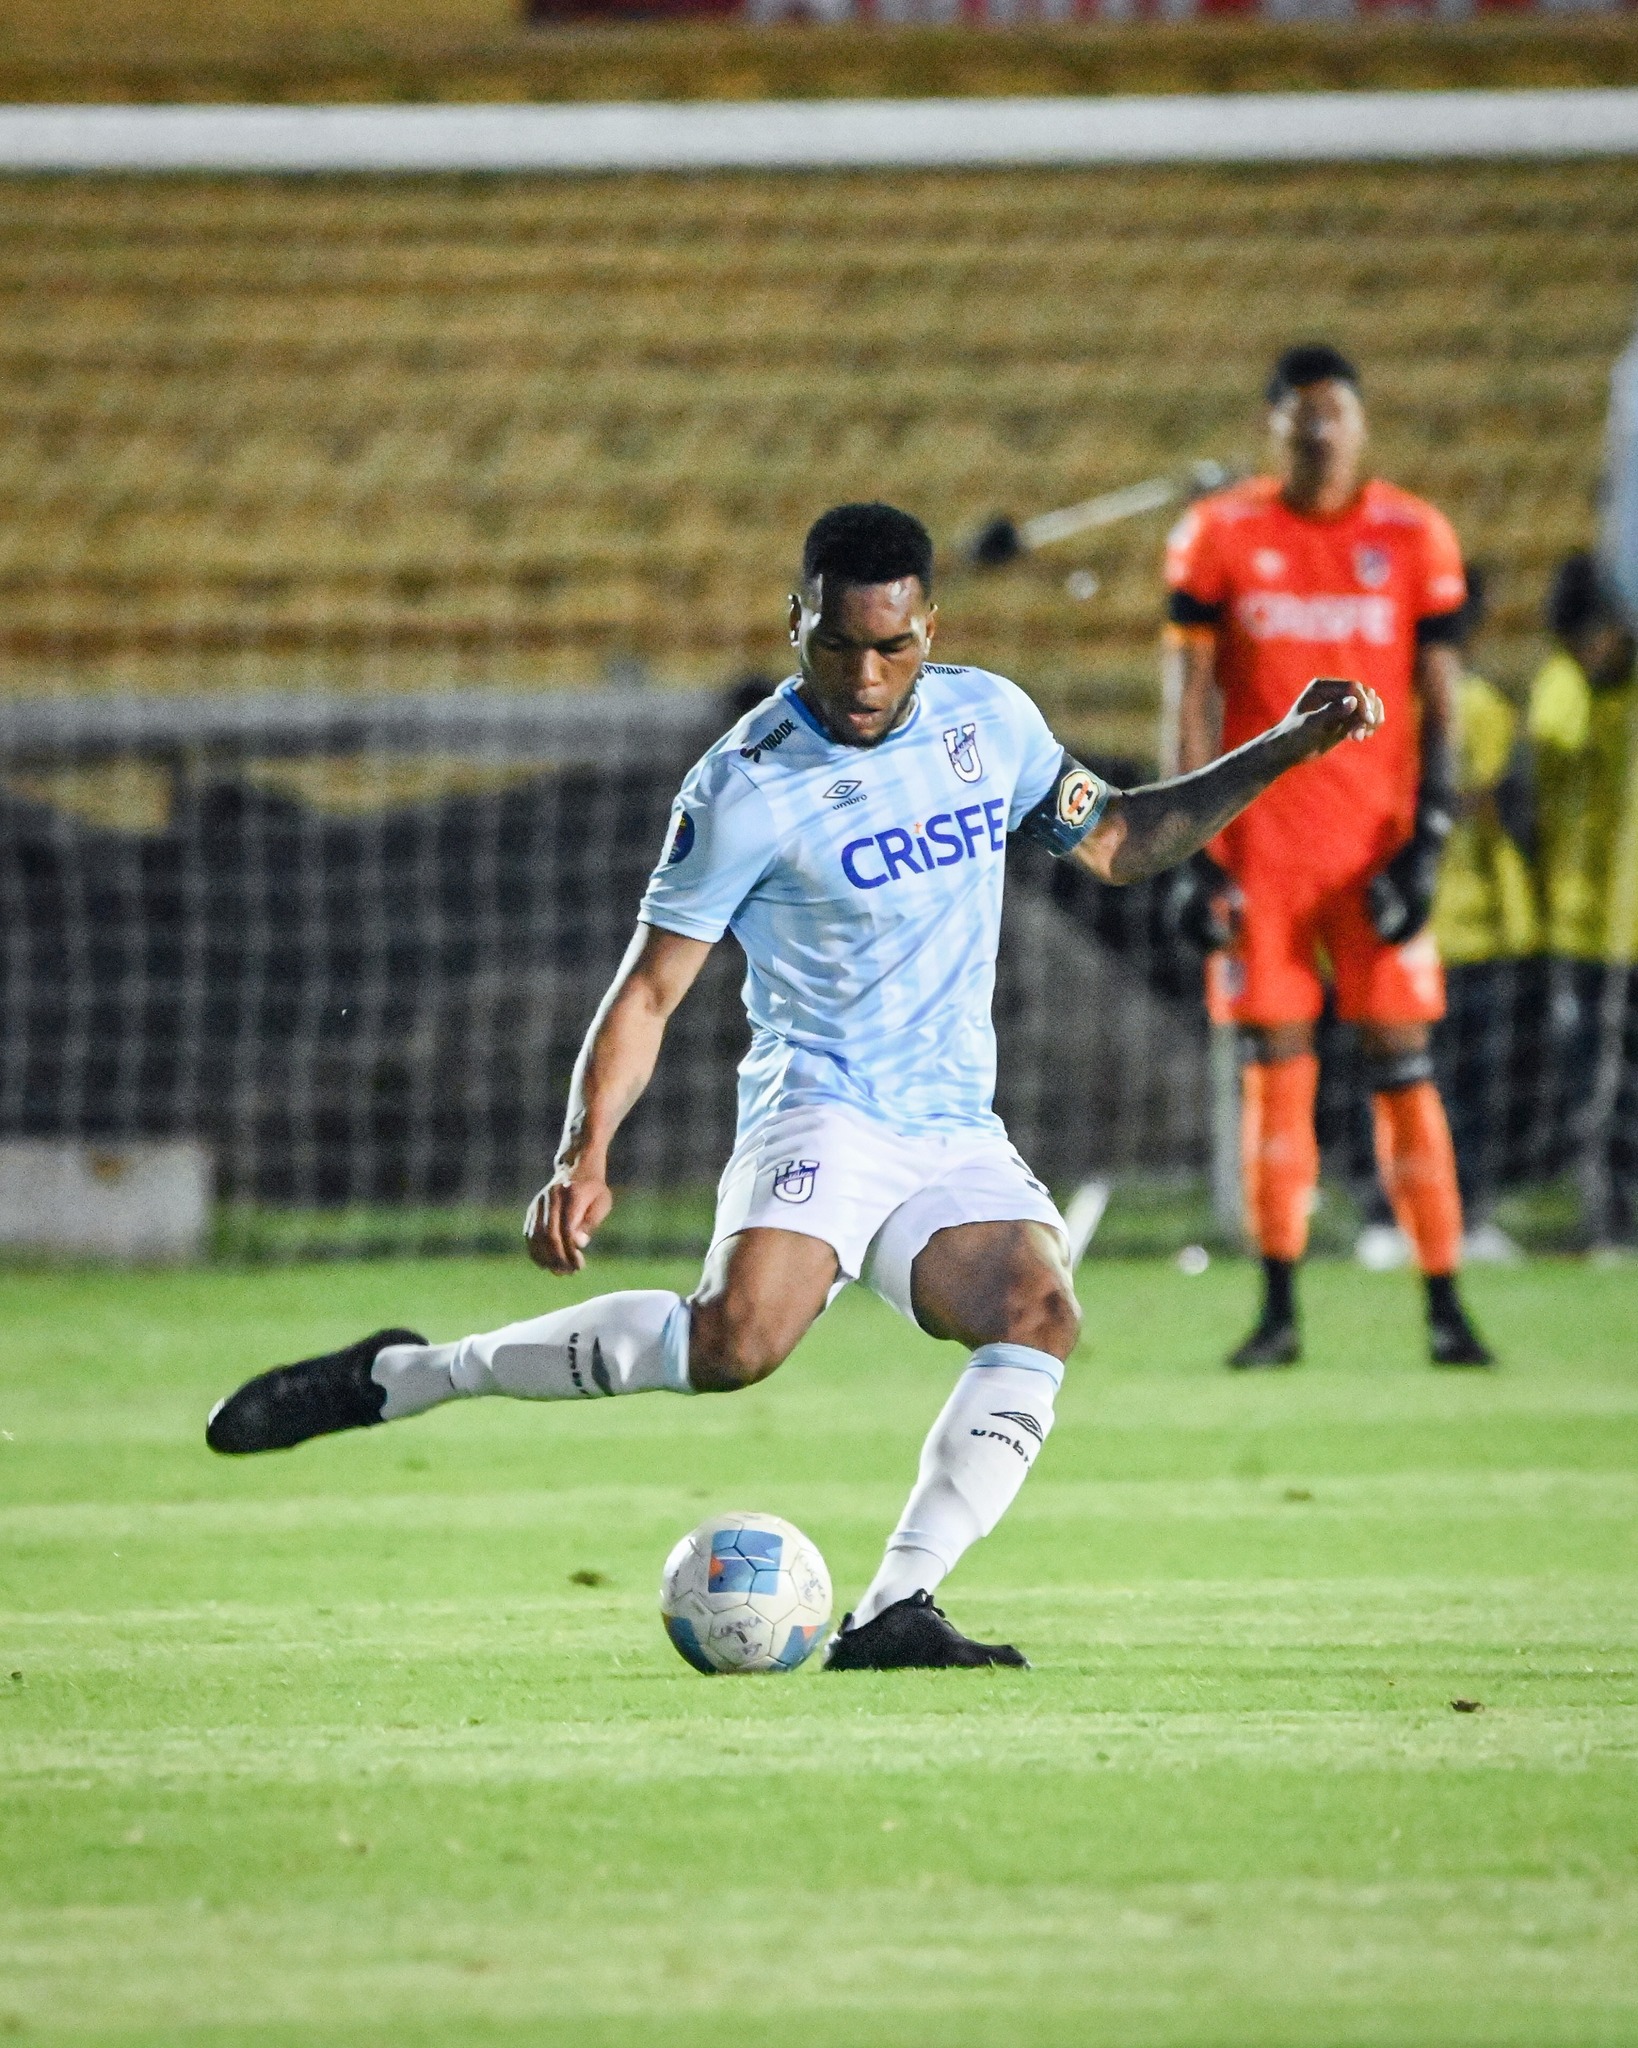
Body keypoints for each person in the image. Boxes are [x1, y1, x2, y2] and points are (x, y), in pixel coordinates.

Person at [206, 502, 1382, 1670]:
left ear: (930, 626)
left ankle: (896, 1606)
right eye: (837, 644)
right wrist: (582, 1151)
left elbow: (1119, 840)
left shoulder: (991, 721)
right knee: (735, 1343)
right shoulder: (744, 786)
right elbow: (651, 989)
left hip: (951, 1126)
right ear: (796, 622)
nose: (864, 677)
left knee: (1039, 1311)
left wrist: (1282, 746)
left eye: (892, 647)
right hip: (819, 1109)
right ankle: (409, 1375)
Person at [1162, 343, 1492, 1369]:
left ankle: (1446, 1306)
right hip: (1259, 853)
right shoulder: (1219, 534)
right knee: (1277, 1077)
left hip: (1372, 852)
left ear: (1361, 423)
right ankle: (1277, 1312)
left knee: (1405, 1067)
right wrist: (1190, 847)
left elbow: (1442, 701)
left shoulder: (1414, 535)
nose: (1320, 433)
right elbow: (1187, 698)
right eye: (1302, 416)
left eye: (1335, 414)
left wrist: (1430, 839)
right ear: (1272, 427)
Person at [1426, 566, 1537, 1261]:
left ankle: (1412, 1217)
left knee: (1419, 1084)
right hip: (1464, 926)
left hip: (1432, 926)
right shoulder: (1486, 707)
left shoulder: (1398, 700)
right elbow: (1492, 804)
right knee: (1461, 1087)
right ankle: (1458, 1218)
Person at [1528, 551, 1638, 1246]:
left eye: (1590, 638)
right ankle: (1608, 1221)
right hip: (1586, 925)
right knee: (1599, 1088)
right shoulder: (1562, 689)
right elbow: (1558, 738)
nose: (1583, 653)